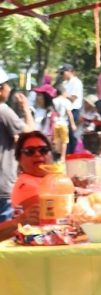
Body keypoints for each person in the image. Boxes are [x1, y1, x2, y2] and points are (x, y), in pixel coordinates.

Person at [0, 132, 50, 295]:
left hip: (31, 257)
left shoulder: (47, 180)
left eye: (42, 149)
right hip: (14, 263)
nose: (38, 156)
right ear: (19, 158)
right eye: (29, 152)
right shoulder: (27, 185)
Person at [0, 66, 35, 222]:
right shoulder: (3, 110)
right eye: (8, 85)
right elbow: (31, 134)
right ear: (1, 89)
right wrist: (25, 108)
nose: (9, 89)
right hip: (3, 184)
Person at [57, 63, 83, 154]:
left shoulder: (76, 82)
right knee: (64, 133)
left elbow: (73, 98)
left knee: (71, 134)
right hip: (64, 111)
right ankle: (64, 153)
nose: (61, 75)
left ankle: (71, 153)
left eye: (62, 73)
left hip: (73, 110)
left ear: (69, 71)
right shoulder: (64, 83)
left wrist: (64, 95)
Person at [51, 85, 76, 161]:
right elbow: (69, 113)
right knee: (64, 141)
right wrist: (72, 124)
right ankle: (62, 157)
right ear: (63, 92)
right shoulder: (66, 101)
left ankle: (56, 156)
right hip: (63, 123)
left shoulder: (53, 101)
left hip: (54, 123)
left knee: (56, 140)